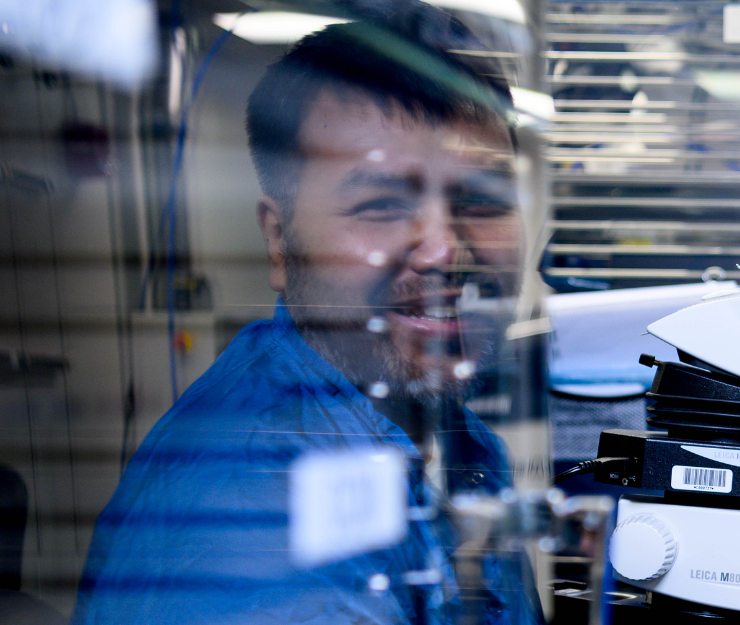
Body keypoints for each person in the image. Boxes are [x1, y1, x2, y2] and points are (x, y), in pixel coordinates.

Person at [71, 3, 537, 624]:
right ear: (277, 240)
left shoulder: (449, 438)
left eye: (481, 200)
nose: (444, 250)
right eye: (380, 204)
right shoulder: (258, 518)